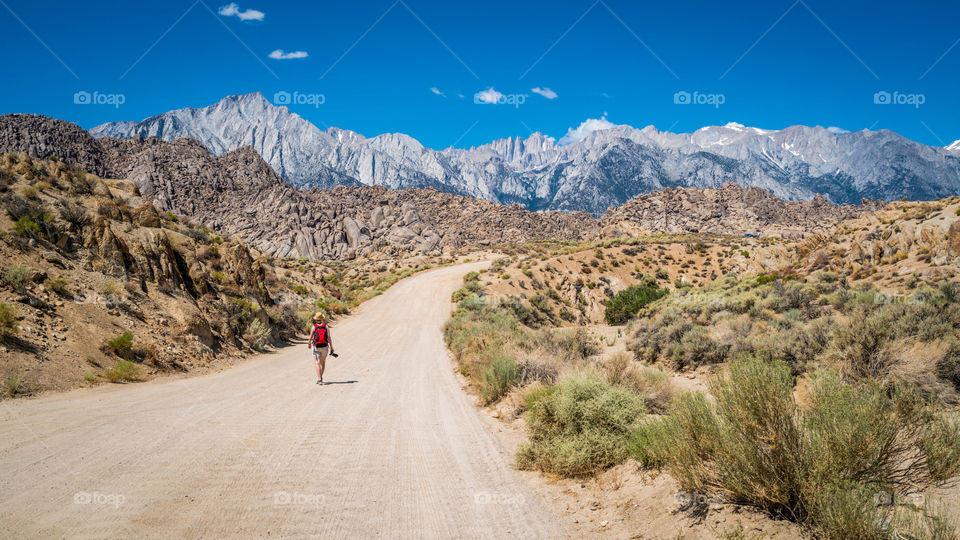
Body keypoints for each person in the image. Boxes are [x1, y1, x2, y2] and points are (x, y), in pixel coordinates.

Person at [308, 312, 335, 385]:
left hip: (316, 347)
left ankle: (319, 379)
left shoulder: (314, 327)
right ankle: (321, 377)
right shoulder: (326, 326)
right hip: (325, 346)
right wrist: (332, 347)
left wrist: (309, 344)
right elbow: (329, 337)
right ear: (322, 318)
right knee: (323, 363)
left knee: (317, 362)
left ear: (315, 319)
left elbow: (310, 337)